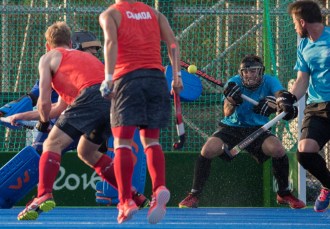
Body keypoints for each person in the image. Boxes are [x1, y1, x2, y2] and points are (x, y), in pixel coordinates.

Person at [0, 30, 148, 210]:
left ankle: (43, 195)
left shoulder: (48, 58)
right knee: (87, 152)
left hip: (90, 97)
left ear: (48, 46)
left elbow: (44, 102)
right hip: (114, 102)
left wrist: (44, 124)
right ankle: (133, 196)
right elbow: (58, 109)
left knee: (51, 145)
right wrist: (19, 116)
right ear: (70, 43)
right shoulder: (78, 62)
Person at [178, 54, 305, 209]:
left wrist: (277, 103)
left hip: (259, 129)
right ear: (241, 72)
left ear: (260, 72)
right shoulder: (234, 82)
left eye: (253, 71)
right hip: (232, 128)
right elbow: (227, 113)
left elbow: (280, 96)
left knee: (277, 149)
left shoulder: (270, 81)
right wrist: (232, 101)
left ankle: (284, 193)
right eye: (246, 71)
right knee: (208, 149)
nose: (249, 75)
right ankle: (194, 195)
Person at [99, 0, 183, 224]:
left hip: (127, 81)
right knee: (151, 142)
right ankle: (159, 189)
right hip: (156, 79)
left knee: (122, 144)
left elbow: (110, 43)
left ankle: (125, 200)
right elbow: (173, 44)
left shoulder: (111, 14)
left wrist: (108, 78)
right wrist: (177, 76)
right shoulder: (154, 14)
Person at [284, 0, 330, 212]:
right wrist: (290, 98)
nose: (294, 27)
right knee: (304, 151)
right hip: (316, 106)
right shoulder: (303, 44)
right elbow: (302, 78)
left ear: (302, 22)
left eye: (294, 22)